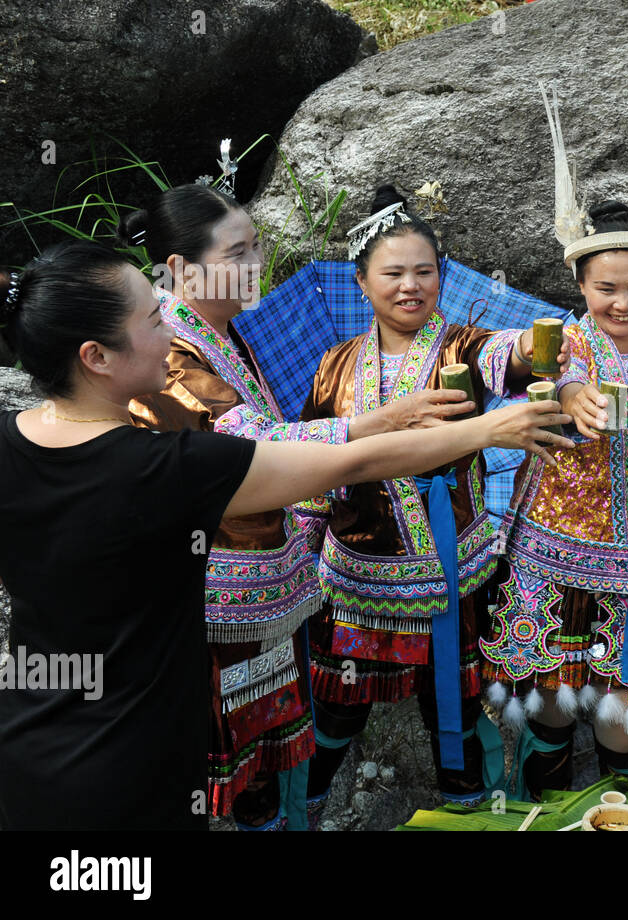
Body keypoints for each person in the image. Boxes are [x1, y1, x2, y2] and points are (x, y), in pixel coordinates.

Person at [0, 240, 571, 830]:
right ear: (96, 356)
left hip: (32, 750)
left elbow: (498, 360)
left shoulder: (12, 443)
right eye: (154, 318)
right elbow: (346, 464)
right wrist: (484, 429)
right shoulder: (174, 466)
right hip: (135, 763)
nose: (170, 331)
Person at [122, 183, 463, 830]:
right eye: (238, 253)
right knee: (239, 768)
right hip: (217, 590)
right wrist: (379, 423)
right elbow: (249, 445)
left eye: (257, 246)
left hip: (265, 579)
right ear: (179, 270)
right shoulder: (169, 351)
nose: (256, 264)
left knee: (268, 760)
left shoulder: (219, 331)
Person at [477, 86, 628, 800]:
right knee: (548, 708)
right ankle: (543, 815)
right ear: (579, 283)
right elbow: (501, 361)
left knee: (622, 720)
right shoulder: (563, 342)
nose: (622, 302)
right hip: (547, 551)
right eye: (605, 286)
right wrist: (559, 388)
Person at [299, 184, 558, 817]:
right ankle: (301, 805)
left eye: (425, 271)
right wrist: (299, 552)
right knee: (338, 705)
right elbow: (310, 461)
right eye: (393, 273)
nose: (410, 285)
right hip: (359, 569)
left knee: (453, 700)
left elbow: (512, 356)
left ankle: (463, 812)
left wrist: (536, 346)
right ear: (362, 282)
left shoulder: (462, 348)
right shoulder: (336, 364)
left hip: (447, 565)